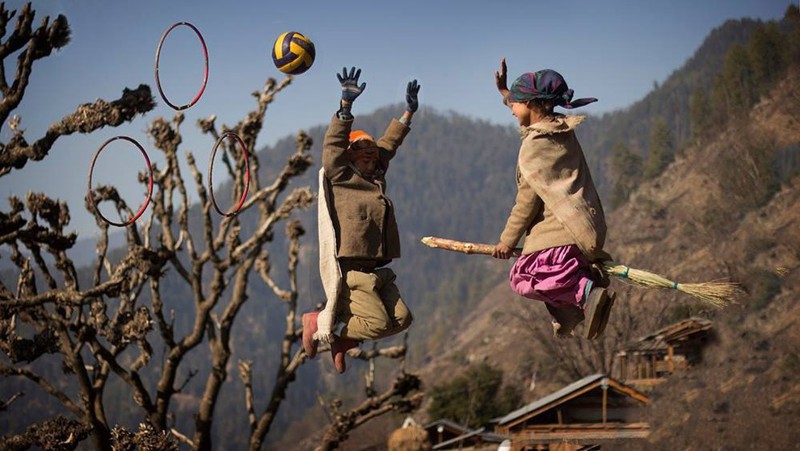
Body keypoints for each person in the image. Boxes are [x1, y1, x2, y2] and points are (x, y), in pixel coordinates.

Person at [303, 67, 420, 373]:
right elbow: (332, 148)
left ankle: (343, 340)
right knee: (379, 323)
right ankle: (319, 322)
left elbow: (389, 146)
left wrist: (408, 114)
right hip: (354, 271)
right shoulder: (341, 177)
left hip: (380, 268)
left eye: (373, 157)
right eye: (364, 157)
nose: (371, 162)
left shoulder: (376, 177)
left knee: (403, 320)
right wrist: (345, 108)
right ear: (351, 159)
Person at [491, 59, 615, 340]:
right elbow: (530, 117)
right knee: (548, 277)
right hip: (581, 227)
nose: (511, 109)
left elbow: (526, 201)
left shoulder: (536, 147)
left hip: (561, 232)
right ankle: (580, 302)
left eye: (515, 103)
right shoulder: (557, 130)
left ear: (534, 104)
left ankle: (586, 293)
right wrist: (505, 94)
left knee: (523, 279)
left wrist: (507, 240)